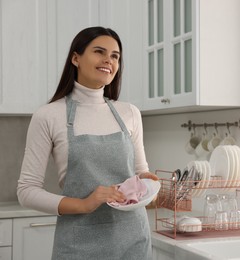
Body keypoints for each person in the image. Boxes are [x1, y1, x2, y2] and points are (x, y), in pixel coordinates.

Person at [17, 26, 158, 260]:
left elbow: (140, 173)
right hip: (78, 244)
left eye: (115, 56)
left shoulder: (130, 113)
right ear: (76, 58)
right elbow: (26, 191)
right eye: (99, 52)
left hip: (133, 239)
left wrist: (149, 184)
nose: (108, 60)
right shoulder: (49, 115)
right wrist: (85, 204)